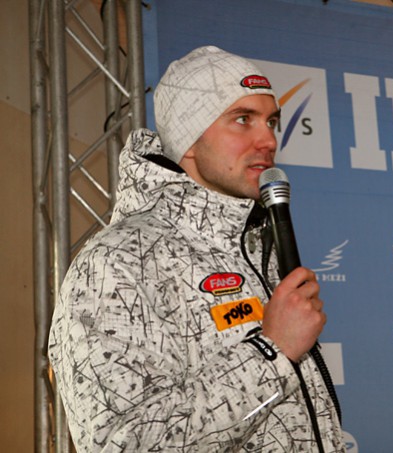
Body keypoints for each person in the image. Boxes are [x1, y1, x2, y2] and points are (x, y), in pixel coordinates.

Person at [48, 45, 344, 452]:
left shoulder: (255, 248)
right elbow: (123, 444)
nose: (268, 139)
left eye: (272, 121)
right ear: (189, 139)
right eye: (243, 119)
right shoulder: (116, 262)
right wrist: (271, 351)